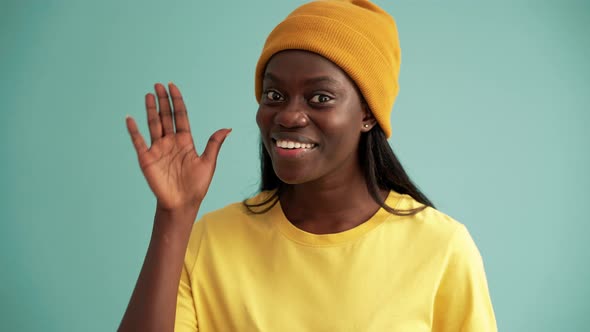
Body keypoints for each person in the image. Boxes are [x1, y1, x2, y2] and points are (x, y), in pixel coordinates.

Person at [119, 0, 497, 331]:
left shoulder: (441, 248)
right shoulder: (209, 242)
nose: (289, 115)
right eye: (274, 95)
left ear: (368, 112)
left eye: (320, 97)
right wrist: (174, 215)